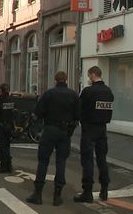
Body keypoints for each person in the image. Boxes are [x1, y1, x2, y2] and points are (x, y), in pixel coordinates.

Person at [26, 71, 79, 206]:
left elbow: (37, 113)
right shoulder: (73, 95)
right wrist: (70, 129)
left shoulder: (49, 94)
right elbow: (78, 115)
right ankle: (57, 195)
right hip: (64, 132)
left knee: (43, 161)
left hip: (50, 130)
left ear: (55, 80)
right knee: (61, 162)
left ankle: (37, 194)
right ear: (66, 80)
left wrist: (36, 129)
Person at [74, 66, 114, 203]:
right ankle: (104, 189)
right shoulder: (108, 91)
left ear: (92, 75)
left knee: (88, 160)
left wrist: (81, 122)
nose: (88, 78)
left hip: (89, 129)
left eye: (89, 76)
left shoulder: (88, 91)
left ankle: (87, 192)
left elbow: (79, 110)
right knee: (102, 160)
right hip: (102, 129)